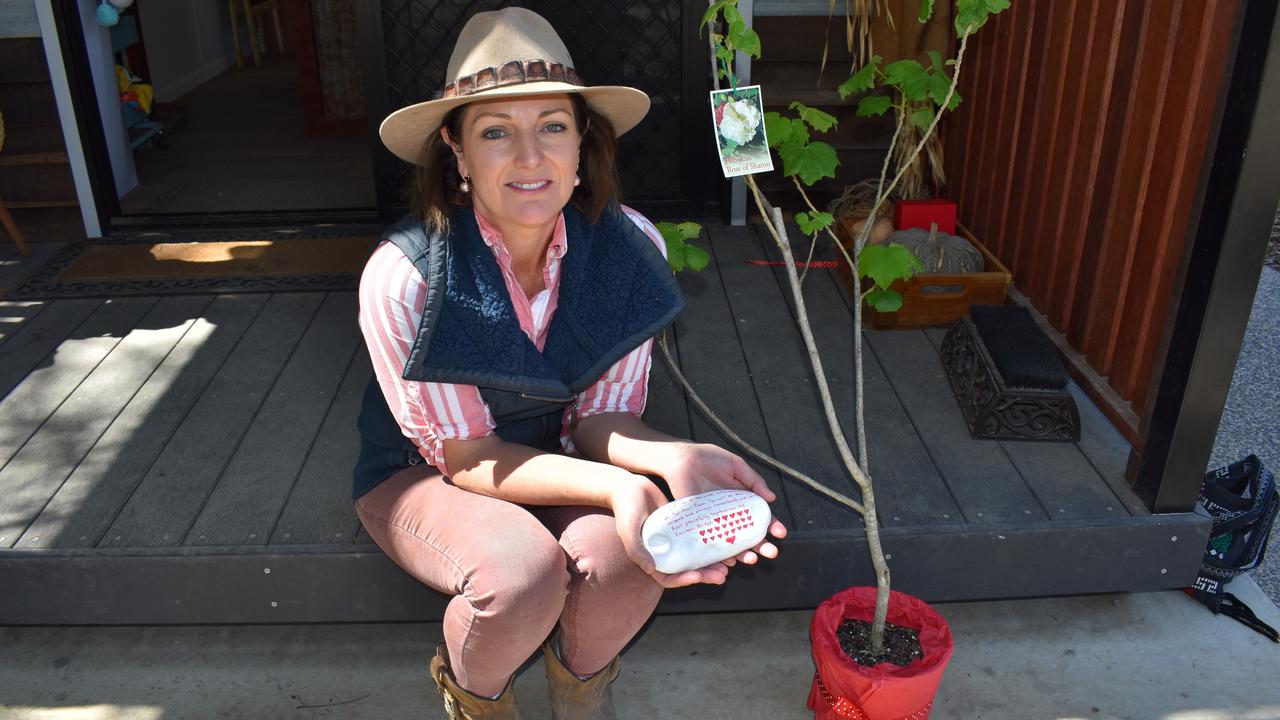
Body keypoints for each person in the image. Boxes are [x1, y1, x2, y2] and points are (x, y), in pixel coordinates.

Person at [354, 8, 787, 719]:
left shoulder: (628, 244)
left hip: (557, 452)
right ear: (455, 151)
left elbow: (599, 417)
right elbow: (465, 456)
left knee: (633, 554)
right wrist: (619, 488)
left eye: (552, 125)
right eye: (496, 132)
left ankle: (581, 694)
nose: (531, 157)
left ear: (583, 141)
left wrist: (672, 458)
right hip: (427, 469)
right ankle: (479, 703)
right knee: (522, 573)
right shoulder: (406, 277)